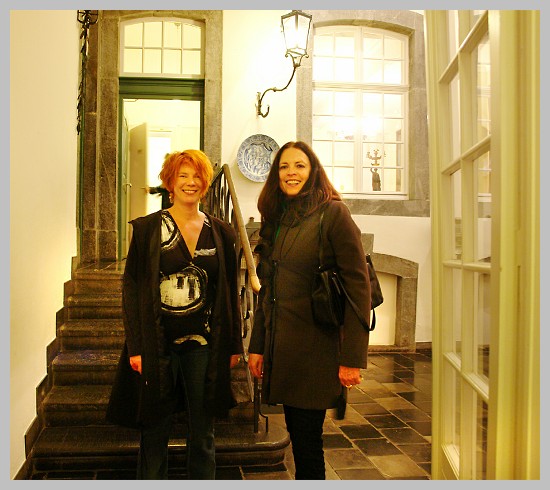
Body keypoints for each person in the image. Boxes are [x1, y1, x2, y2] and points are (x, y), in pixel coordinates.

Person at [106, 149, 243, 480]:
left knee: (203, 430)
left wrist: (233, 344)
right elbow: (132, 291)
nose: (190, 182)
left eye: (197, 176)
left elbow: (229, 292)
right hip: (158, 344)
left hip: (204, 346)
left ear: (205, 183)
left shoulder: (221, 231)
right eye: (183, 175)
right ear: (170, 182)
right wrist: (136, 346)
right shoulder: (148, 229)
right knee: (154, 428)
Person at [247, 141, 371, 480]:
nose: (291, 173)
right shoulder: (276, 218)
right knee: (300, 437)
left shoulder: (333, 214)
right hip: (283, 348)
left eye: (299, 165)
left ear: (313, 171)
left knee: (307, 444)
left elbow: (358, 287)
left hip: (316, 348)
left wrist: (352, 357)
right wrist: (258, 346)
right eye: (284, 166)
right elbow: (268, 290)